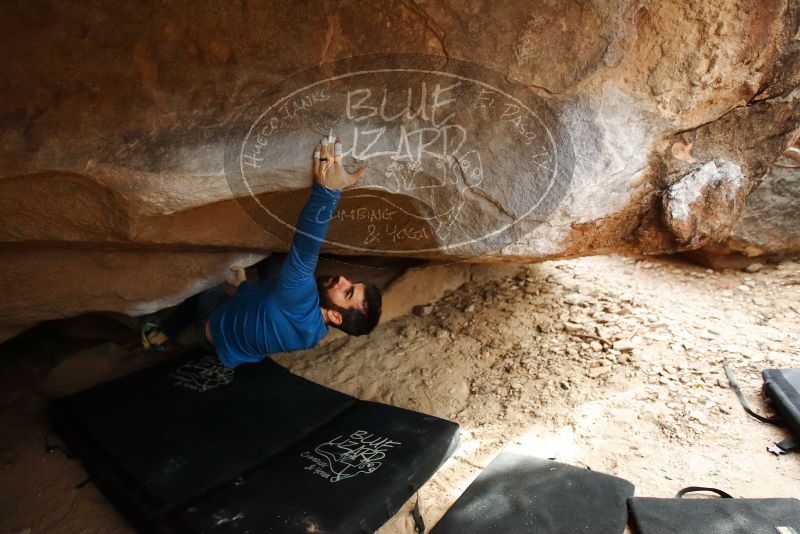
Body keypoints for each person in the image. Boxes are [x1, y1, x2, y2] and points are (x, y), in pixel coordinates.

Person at [140, 134, 382, 367]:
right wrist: (245, 286)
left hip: (210, 330)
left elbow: (305, 251)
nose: (342, 279)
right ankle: (240, 291)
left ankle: (160, 334)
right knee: (272, 268)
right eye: (352, 282)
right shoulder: (314, 335)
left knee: (206, 290)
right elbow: (271, 309)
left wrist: (328, 192)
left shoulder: (300, 301)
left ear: (336, 316)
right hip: (237, 349)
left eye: (347, 292)